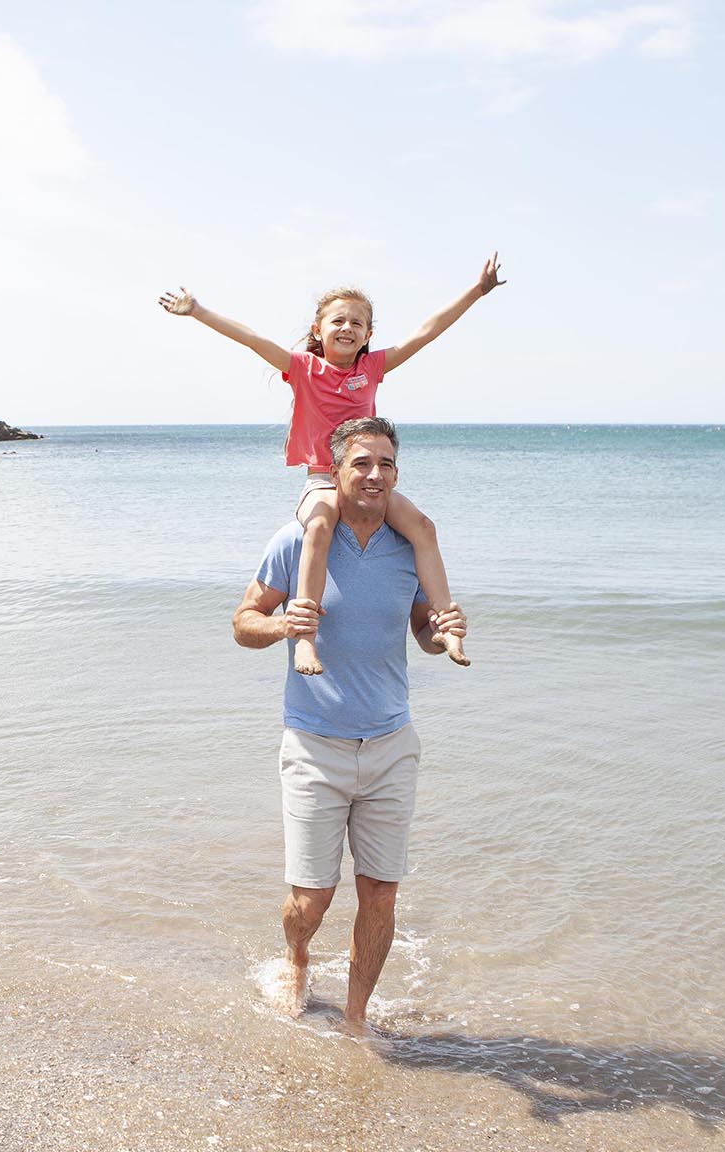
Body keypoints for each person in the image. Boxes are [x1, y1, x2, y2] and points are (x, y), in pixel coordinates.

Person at [231, 417, 467, 1034]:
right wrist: (285, 626)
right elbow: (242, 622)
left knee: (382, 893)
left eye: (386, 464)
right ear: (335, 471)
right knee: (311, 899)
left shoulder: (407, 547)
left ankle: (357, 1020)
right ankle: (297, 957)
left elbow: (421, 630)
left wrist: (440, 636)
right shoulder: (297, 540)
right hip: (313, 745)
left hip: (392, 744)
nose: (375, 474)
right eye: (361, 463)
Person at [163, 257, 501, 676]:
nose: (347, 328)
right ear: (317, 331)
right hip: (323, 478)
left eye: (357, 323)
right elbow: (252, 339)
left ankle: (448, 625)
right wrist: (198, 311)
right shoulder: (303, 368)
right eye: (338, 320)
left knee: (423, 526)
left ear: (368, 336)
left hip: (364, 478)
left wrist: (476, 292)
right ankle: (306, 640)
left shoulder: (372, 368)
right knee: (319, 525)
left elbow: (425, 333)